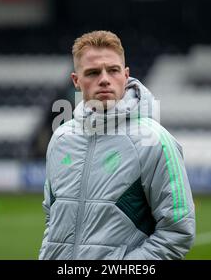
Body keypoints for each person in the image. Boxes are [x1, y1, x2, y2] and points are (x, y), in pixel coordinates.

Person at [39, 30, 195, 260]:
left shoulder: (155, 141)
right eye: (92, 72)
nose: (104, 79)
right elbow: (52, 219)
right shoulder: (61, 138)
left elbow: (177, 233)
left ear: (125, 74)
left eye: (112, 70)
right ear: (76, 81)